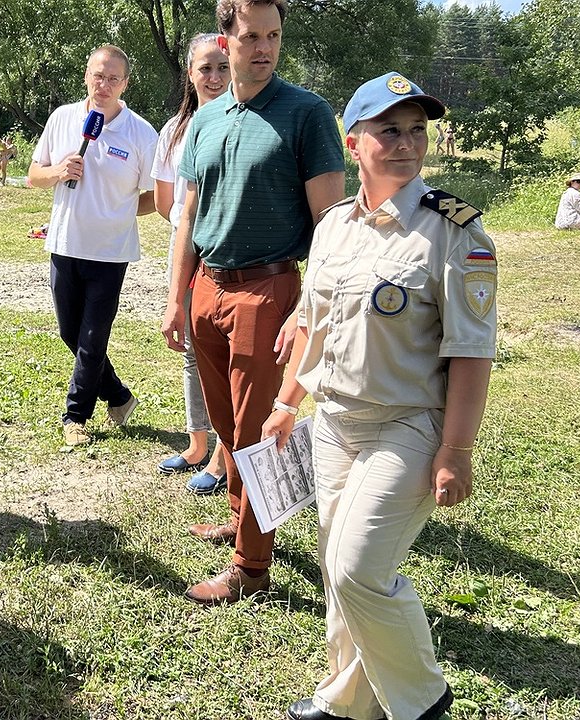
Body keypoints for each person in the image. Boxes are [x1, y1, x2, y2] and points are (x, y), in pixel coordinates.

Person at [265, 71, 494, 720]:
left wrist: (457, 449)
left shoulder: (455, 231)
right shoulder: (335, 225)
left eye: (417, 130)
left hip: (410, 426)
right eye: (388, 130)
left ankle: (423, 703)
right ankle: (347, 703)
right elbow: (313, 321)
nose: (406, 143)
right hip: (336, 424)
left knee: (357, 570)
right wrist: (288, 402)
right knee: (340, 573)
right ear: (353, 141)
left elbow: (471, 353)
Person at [161, 0, 345, 604]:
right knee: (223, 423)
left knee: (257, 431)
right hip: (207, 285)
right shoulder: (206, 120)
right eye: (251, 36)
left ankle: (251, 568)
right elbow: (187, 214)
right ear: (226, 38)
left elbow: (332, 223)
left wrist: (305, 305)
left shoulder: (307, 114)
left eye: (273, 35)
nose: (263, 47)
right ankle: (244, 515)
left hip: (270, 289)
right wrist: (175, 298)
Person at [28, 44, 158, 446]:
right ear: (87, 75)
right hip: (65, 243)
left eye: (113, 78)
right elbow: (33, 174)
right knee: (71, 331)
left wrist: (119, 211)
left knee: (92, 337)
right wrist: (57, 171)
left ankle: (75, 417)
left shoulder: (140, 132)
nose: (104, 85)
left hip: (111, 251)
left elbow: (155, 194)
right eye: (98, 76)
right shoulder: (64, 118)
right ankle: (118, 396)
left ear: (125, 84)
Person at [150, 32, 230, 493]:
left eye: (223, 67)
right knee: (190, 352)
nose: (215, 77)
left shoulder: (240, 120)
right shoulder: (174, 131)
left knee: (221, 353)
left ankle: (222, 454)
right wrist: (188, 237)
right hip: (187, 253)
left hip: (228, 255)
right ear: (190, 72)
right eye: (206, 68)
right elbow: (167, 201)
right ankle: (197, 443)